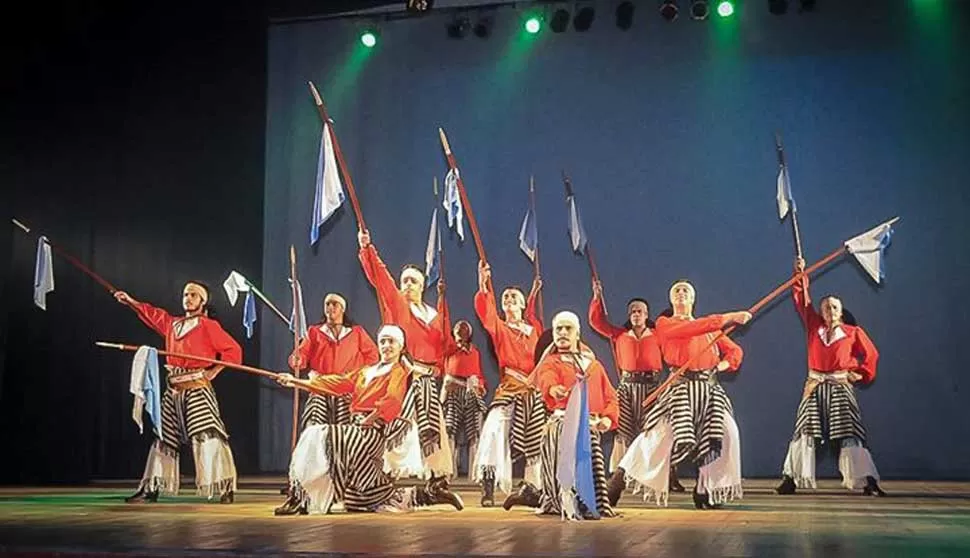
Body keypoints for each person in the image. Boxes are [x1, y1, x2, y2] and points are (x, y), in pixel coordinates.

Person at [274, 324, 463, 515]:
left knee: (317, 436)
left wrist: (370, 419)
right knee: (361, 497)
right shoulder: (366, 371)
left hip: (372, 433)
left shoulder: (398, 371)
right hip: (357, 429)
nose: (386, 346)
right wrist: (294, 381)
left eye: (391, 342)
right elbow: (335, 383)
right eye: (382, 341)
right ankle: (430, 495)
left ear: (400, 347)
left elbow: (392, 400)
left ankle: (300, 499)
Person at [609, 280, 752, 509]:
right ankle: (619, 478)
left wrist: (723, 365)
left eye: (686, 290)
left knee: (727, 432)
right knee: (658, 435)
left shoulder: (709, 329)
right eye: (677, 290)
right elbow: (690, 329)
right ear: (671, 299)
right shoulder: (666, 324)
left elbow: (735, 351)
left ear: (693, 298)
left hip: (709, 389)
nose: (681, 293)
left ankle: (706, 489)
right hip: (681, 388)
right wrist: (728, 317)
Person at [115, 281, 241, 504]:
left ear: (203, 301)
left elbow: (233, 350)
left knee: (206, 434)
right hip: (173, 388)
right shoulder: (173, 325)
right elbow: (153, 314)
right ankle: (152, 487)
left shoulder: (208, 326)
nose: (188, 298)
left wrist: (213, 371)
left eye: (193, 295)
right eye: (185, 294)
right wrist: (131, 302)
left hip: (197, 387)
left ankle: (223, 486)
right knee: (164, 437)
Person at [776, 257, 885, 496]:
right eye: (826, 307)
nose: (830, 310)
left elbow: (872, 355)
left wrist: (860, 373)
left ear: (841, 311)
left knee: (850, 430)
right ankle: (790, 478)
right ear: (821, 312)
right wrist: (800, 274)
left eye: (834, 307)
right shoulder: (814, 327)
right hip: (814, 385)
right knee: (804, 429)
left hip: (839, 385)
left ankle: (867, 480)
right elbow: (802, 300)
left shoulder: (852, 332)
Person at [502, 311, 618, 520]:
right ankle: (564, 500)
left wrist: (608, 418)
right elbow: (546, 379)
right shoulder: (551, 362)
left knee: (589, 453)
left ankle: (584, 501)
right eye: (558, 329)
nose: (563, 333)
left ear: (578, 334)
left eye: (568, 328)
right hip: (562, 423)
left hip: (589, 426)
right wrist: (553, 389)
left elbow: (610, 397)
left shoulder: (593, 365)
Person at [358, 228, 453, 478]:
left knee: (433, 426)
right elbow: (382, 280)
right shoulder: (399, 307)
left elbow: (445, 347)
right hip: (407, 377)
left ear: (423, 286)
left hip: (429, 380)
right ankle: (403, 475)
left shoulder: (435, 315)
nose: (408, 285)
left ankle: (433, 478)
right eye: (405, 281)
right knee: (406, 427)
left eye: (413, 281)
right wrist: (368, 249)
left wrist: (438, 369)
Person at [472, 260, 546, 506]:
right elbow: (487, 313)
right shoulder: (499, 329)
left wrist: (534, 292)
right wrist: (483, 285)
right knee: (493, 430)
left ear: (524, 303)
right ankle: (488, 487)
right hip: (509, 389)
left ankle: (532, 488)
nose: (509, 299)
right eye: (505, 297)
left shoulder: (535, 330)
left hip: (531, 392)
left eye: (515, 296)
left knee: (536, 438)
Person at [441, 320, 487, 479]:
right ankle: (447, 471)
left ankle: (474, 474)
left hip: (470, 391)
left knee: (474, 430)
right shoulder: (449, 351)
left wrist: (479, 387)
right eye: (458, 329)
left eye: (465, 329)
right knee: (449, 429)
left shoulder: (475, 352)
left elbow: (479, 374)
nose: (462, 331)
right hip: (453, 392)